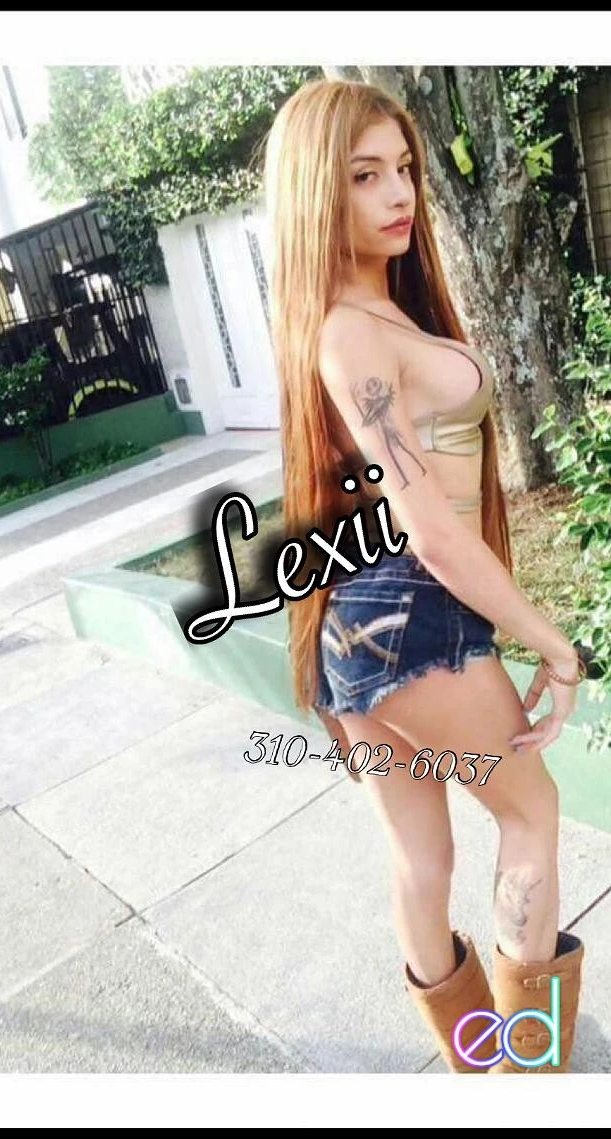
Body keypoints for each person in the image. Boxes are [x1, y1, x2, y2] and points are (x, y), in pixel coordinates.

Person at [262, 77, 586, 1074]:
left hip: (356, 626)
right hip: (409, 611)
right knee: (529, 812)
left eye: (402, 168)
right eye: (364, 176)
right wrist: (552, 641)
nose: (399, 192)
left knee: (421, 855)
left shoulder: (360, 315)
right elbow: (431, 531)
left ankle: (483, 1067)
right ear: (317, 192)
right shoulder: (351, 331)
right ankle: (529, 1073)